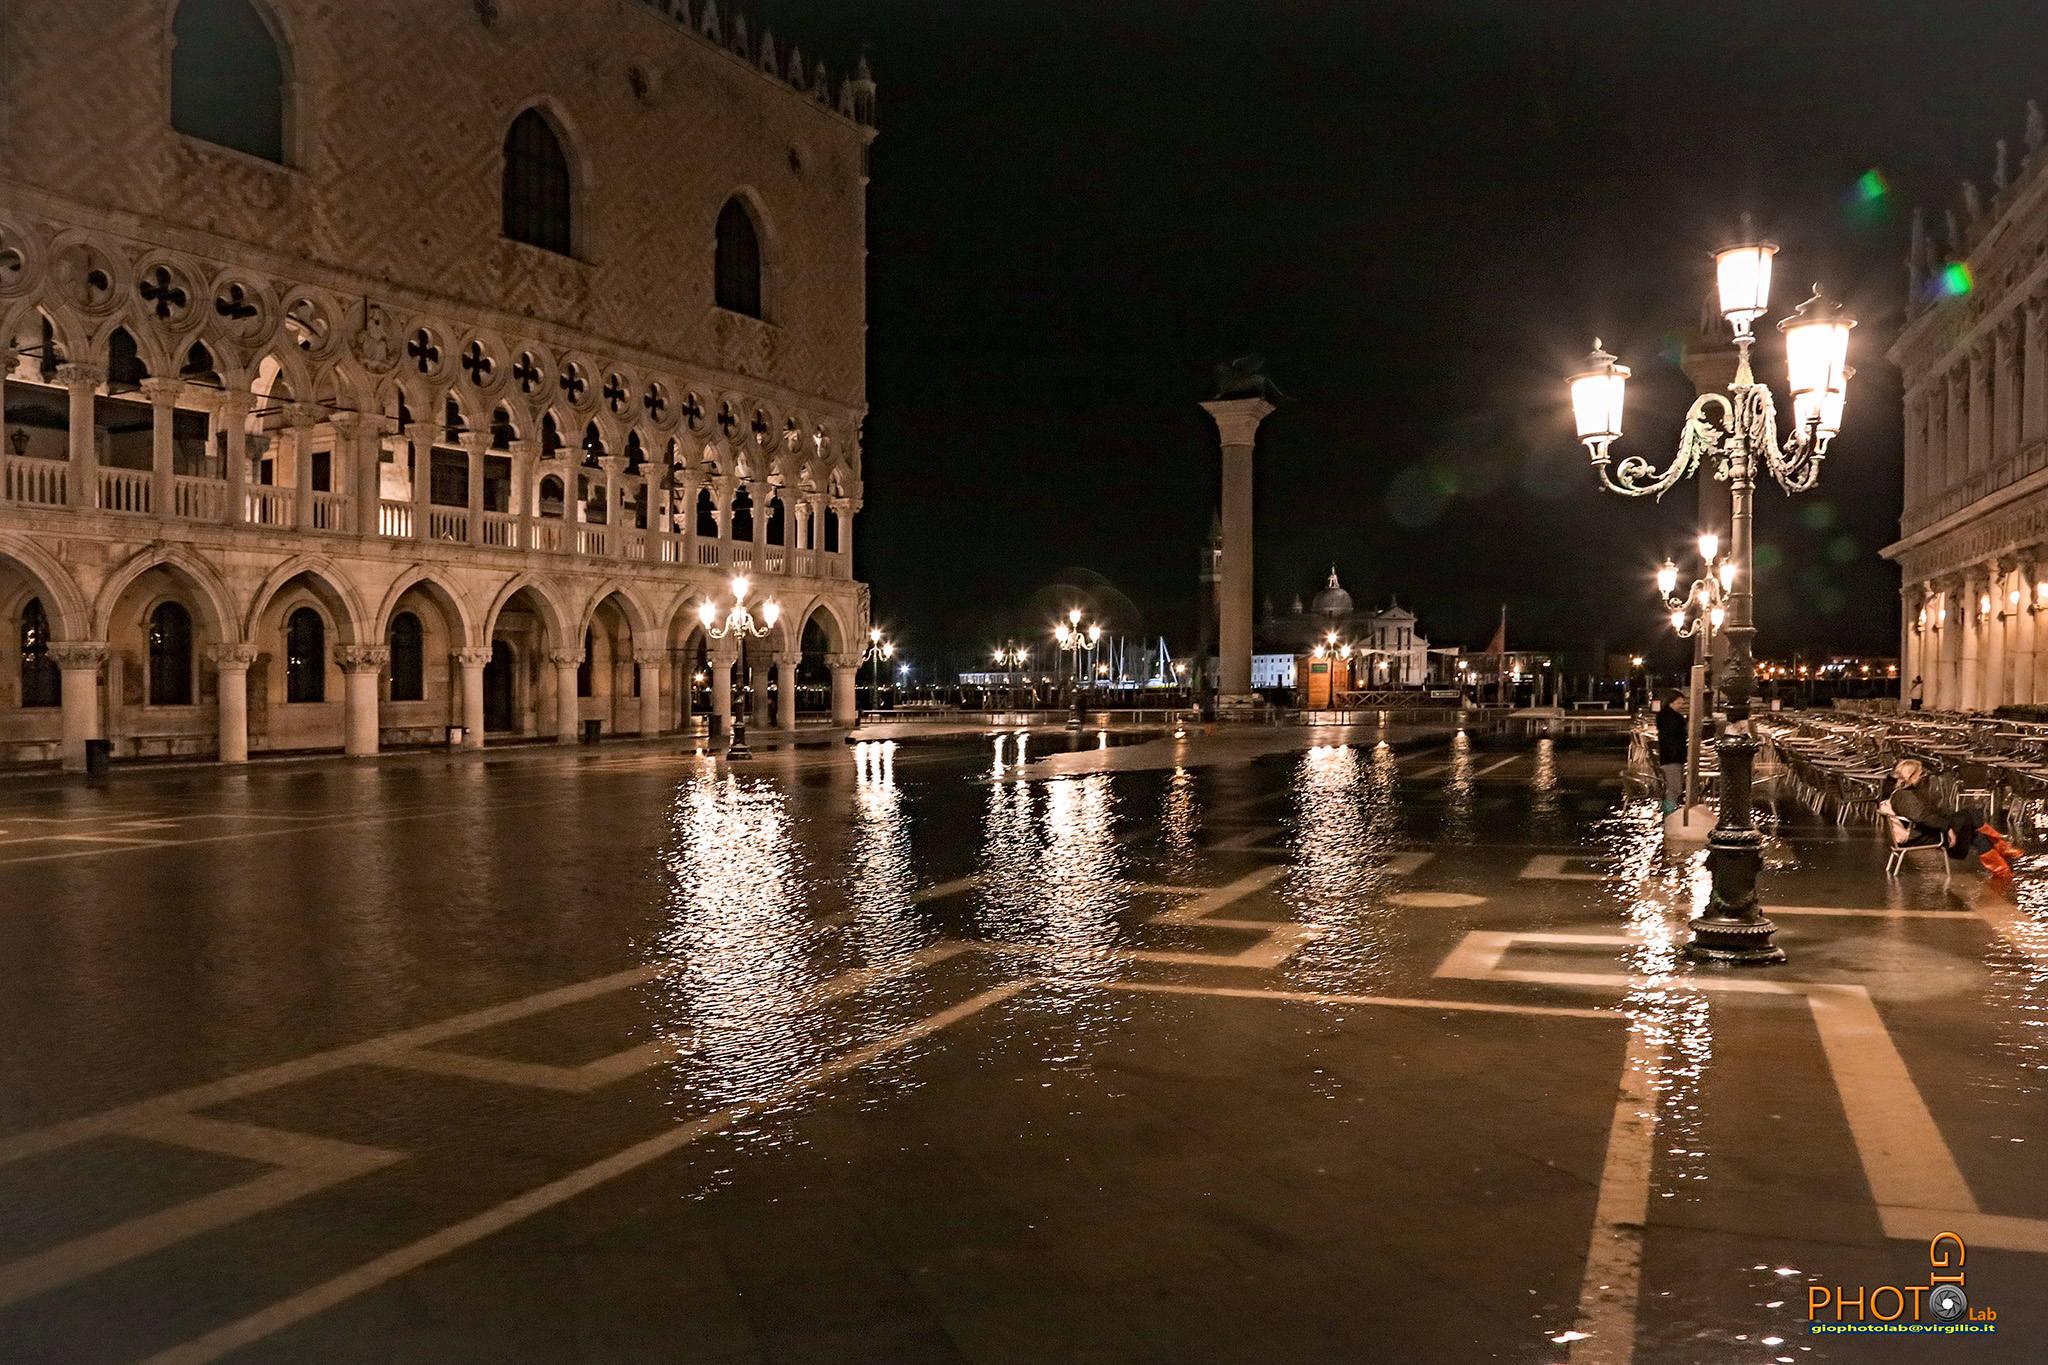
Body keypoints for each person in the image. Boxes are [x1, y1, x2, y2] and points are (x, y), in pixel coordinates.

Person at [1887, 759, 2024, 877]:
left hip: (1927, 831)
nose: (1922, 777)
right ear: (1910, 777)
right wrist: (1947, 828)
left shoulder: (1908, 793)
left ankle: (2002, 869)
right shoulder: (1905, 796)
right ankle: (2000, 848)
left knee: (1976, 831)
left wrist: (1948, 819)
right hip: (1922, 836)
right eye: (1919, 774)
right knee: (1970, 815)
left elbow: (1931, 813)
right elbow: (1923, 818)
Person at [1655, 691, 1689, 815]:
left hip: (1667, 756)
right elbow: (1677, 737)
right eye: (1679, 703)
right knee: (1675, 788)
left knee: (1673, 787)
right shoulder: (1675, 718)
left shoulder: (1662, 716)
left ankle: (1668, 811)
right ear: (1671, 702)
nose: (1680, 705)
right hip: (1674, 757)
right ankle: (1669, 814)